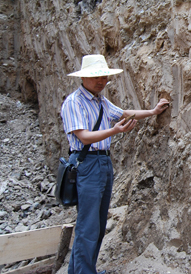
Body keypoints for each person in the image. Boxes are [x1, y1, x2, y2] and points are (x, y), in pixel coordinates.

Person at [61, 54, 169, 274]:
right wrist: (115, 130)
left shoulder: (101, 101)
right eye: (96, 77)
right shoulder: (74, 102)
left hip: (102, 161)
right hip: (86, 163)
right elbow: (84, 137)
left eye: (104, 77)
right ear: (83, 78)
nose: (101, 81)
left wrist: (152, 111)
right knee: (88, 224)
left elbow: (125, 113)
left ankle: (81, 270)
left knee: (98, 224)